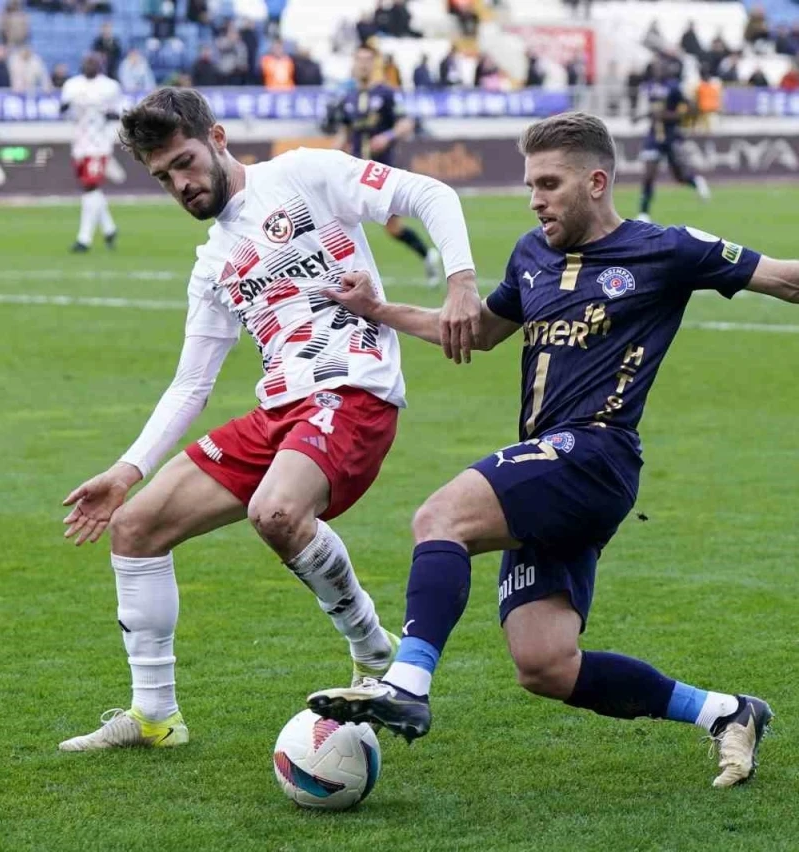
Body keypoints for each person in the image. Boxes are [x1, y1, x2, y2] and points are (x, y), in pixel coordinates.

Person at [306, 111, 799, 788]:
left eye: (549, 183)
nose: (534, 197)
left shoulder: (666, 249)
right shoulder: (530, 255)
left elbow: (792, 279)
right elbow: (477, 332)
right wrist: (381, 310)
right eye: (530, 183)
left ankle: (407, 683)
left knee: (438, 517)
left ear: (596, 182)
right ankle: (728, 713)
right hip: (547, 464)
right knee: (545, 665)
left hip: (595, 455)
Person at [55, 86, 483, 751]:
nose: (182, 184)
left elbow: (433, 195)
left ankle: (373, 652)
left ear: (218, 138)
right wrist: (125, 471)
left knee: (276, 511)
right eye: (165, 176)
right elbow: (191, 385)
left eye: (187, 162)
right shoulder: (212, 265)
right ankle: (154, 718)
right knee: (136, 528)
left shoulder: (305, 174)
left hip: (353, 388)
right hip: (279, 409)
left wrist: (460, 282)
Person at [334, 44, 442, 286]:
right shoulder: (348, 98)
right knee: (339, 219)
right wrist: (326, 157)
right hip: (353, 171)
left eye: (367, 60)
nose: (362, 65)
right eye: (359, 60)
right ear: (353, 63)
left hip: (381, 173)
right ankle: (345, 276)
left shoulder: (386, 93)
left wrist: (387, 137)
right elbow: (344, 134)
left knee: (393, 228)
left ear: (374, 64)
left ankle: (428, 255)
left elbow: (406, 124)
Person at [60, 54, 123, 253]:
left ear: (100, 66)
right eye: (87, 63)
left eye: (94, 63)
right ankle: (109, 228)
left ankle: (84, 239)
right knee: (90, 188)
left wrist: (106, 113)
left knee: (90, 186)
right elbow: (62, 110)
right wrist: (68, 106)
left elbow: (119, 111)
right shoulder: (72, 85)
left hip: (99, 144)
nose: (90, 66)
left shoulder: (110, 86)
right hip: (79, 143)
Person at [635, 69, 710, 218]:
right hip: (654, 136)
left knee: (679, 176)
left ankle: (696, 181)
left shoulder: (674, 87)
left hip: (670, 135)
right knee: (649, 174)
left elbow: (691, 108)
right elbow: (653, 111)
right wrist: (640, 116)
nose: (658, 68)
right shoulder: (649, 86)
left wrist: (670, 116)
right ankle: (644, 213)